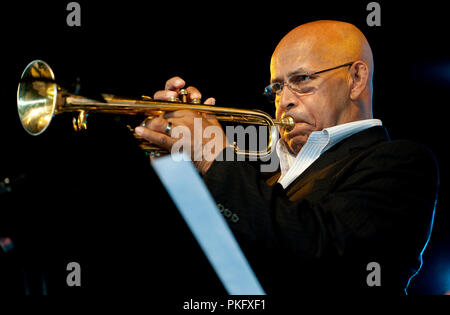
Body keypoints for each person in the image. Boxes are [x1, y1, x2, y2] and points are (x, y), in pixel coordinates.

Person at [134, 20, 439, 295]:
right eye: (277, 87)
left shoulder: (401, 162)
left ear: (356, 79)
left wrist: (215, 157)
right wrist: (176, 164)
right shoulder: (258, 166)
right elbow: (226, 267)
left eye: (303, 79)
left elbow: (328, 259)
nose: (286, 100)